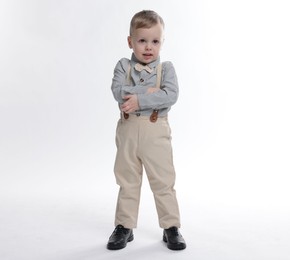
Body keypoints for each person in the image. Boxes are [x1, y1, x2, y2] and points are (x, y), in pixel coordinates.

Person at [107, 10, 186, 251]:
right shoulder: (123, 65)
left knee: (163, 180)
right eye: (142, 40)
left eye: (155, 41)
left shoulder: (167, 69)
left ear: (162, 42)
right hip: (128, 131)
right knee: (127, 179)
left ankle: (171, 226)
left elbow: (171, 95)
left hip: (156, 131)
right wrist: (153, 93)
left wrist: (140, 100)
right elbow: (118, 92)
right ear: (131, 41)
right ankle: (124, 225)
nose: (148, 47)